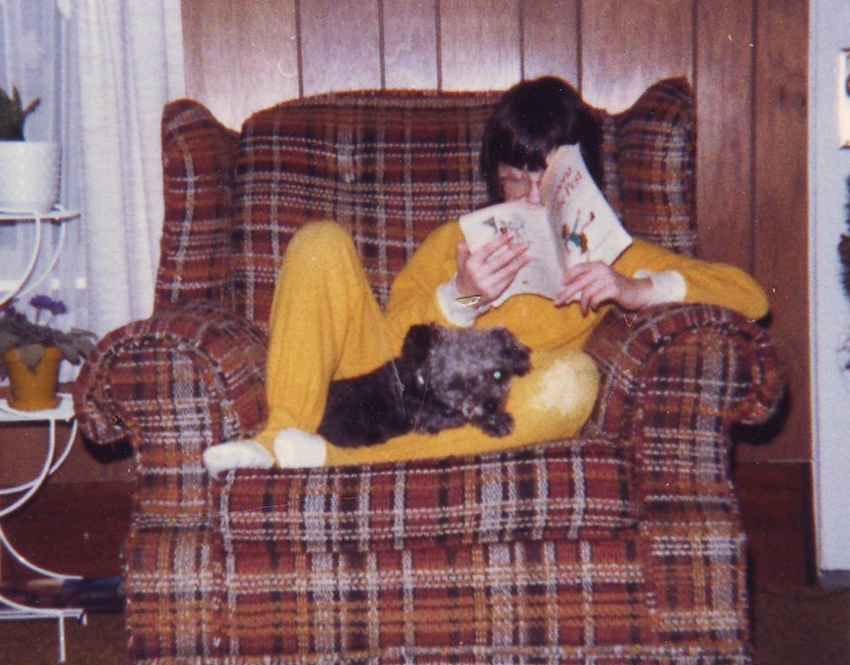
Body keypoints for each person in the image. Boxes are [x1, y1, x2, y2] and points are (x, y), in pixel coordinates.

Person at [203, 76, 768, 475]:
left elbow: (749, 297)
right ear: (494, 180)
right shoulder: (456, 239)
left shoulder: (613, 253)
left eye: (545, 183)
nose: (529, 198)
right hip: (385, 386)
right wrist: (461, 297)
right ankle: (279, 437)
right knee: (320, 240)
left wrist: (639, 290)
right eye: (514, 182)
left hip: (485, 407)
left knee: (575, 380)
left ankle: (328, 459)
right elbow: (396, 337)